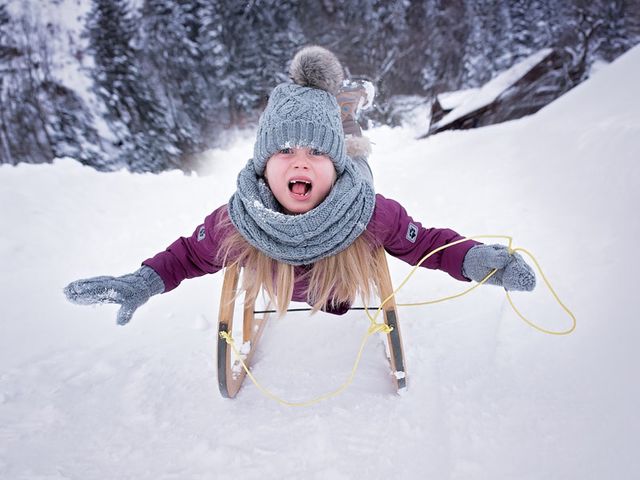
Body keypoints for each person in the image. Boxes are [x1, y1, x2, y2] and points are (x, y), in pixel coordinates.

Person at [64, 46, 535, 326]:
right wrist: (143, 281)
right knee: (330, 139)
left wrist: (478, 261)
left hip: (346, 202)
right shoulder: (239, 219)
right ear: (264, 165)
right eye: (285, 152)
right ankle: (337, 113)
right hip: (312, 202)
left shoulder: (369, 214)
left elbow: (428, 245)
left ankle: (343, 119)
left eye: (315, 155)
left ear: (332, 167)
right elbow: (188, 255)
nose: (300, 164)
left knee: (353, 148)